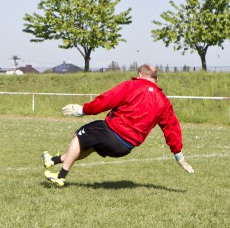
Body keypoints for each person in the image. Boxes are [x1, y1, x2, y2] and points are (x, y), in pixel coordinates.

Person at [42, 64, 194, 187]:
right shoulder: (164, 102)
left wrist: (84, 110)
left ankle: (60, 176)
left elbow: (107, 100)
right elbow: (172, 128)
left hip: (112, 131)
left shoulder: (133, 85)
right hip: (125, 148)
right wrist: (179, 156)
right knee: (91, 145)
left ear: (140, 74)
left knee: (80, 135)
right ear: (156, 78)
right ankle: (53, 160)